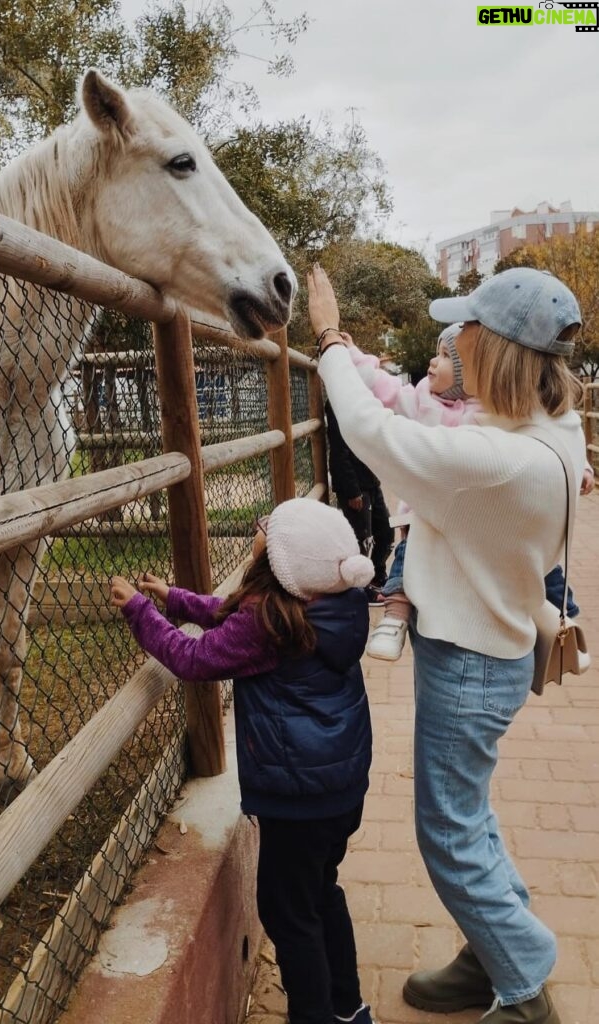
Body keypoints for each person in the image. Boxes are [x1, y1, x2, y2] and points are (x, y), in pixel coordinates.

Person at [309, 264, 586, 1024]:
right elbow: (433, 421)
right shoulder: (548, 427)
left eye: (465, 326)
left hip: (469, 662)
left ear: (489, 348)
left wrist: (330, 337)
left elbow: (371, 431)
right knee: (471, 816)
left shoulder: (493, 463)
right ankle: (487, 954)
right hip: (484, 652)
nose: (454, 336)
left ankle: (523, 990)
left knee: (448, 834)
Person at [109, 498, 378, 1024]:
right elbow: (229, 611)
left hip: (297, 801)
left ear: (282, 565)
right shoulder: (329, 606)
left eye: (269, 530)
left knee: (287, 912)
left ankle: (315, 1016)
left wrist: (140, 612)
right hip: (339, 790)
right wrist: (177, 600)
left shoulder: (268, 624)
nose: (260, 527)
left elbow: (194, 657)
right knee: (321, 893)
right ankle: (348, 1009)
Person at [344, 326, 593, 662]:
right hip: (424, 513)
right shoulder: (422, 401)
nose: (433, 362)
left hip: (487, 519)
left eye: (447, 357)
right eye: (437, 352)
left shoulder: (495, 410)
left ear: (470, 371)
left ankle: (564, 622)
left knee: (544, 565)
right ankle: (395, 618)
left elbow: (554, 438)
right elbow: (382, 387)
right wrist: (350, 356)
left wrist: (584, 469)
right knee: (406, 558)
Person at [325, 401, 394, 602]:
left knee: (386, 531)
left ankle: (376, 575)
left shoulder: (362, 397)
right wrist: (351, 490)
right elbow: (338, 450)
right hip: (355, 486)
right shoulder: (338, 402)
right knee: (361, 540)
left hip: (371, 481)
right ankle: (361, 589)